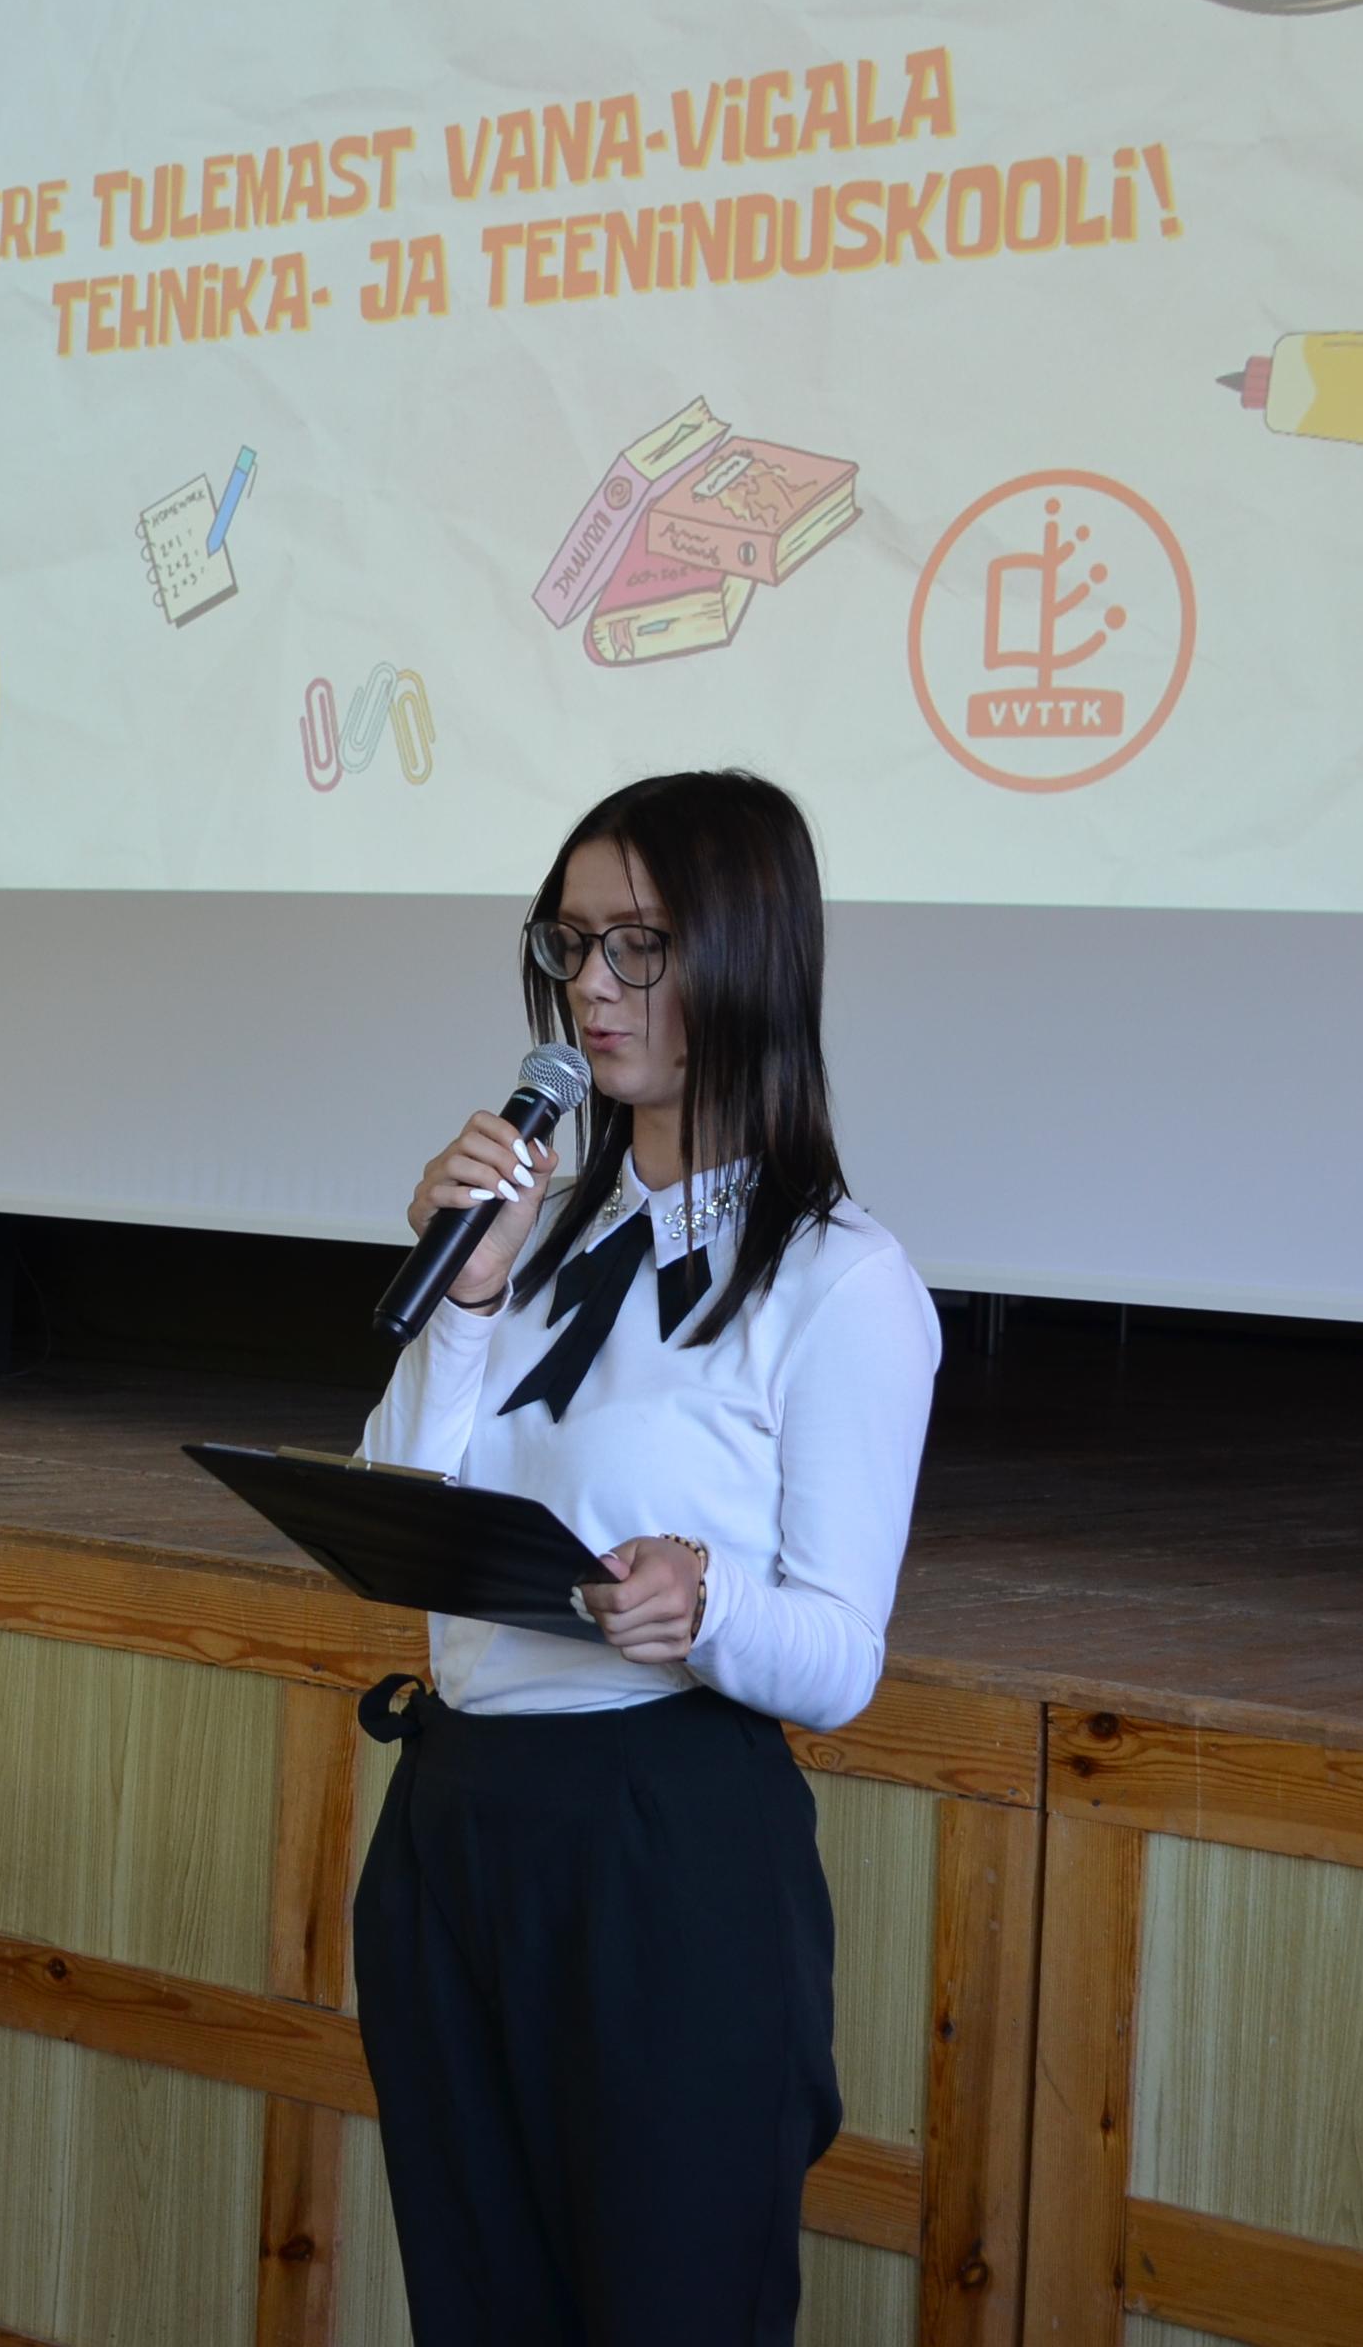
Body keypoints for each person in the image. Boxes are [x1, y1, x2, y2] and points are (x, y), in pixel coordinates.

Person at [350, 768, 941, 2344]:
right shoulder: (537, 1233)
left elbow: (842, 1659)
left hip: (662, 1846)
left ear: (747, 955)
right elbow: (399, 1505)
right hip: (457, 1825)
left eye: (640, 946)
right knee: (479, 2306)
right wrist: (467, 1295)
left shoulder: (842, 1282)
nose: (592, 991)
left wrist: (710, 1603)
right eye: (571, 945)